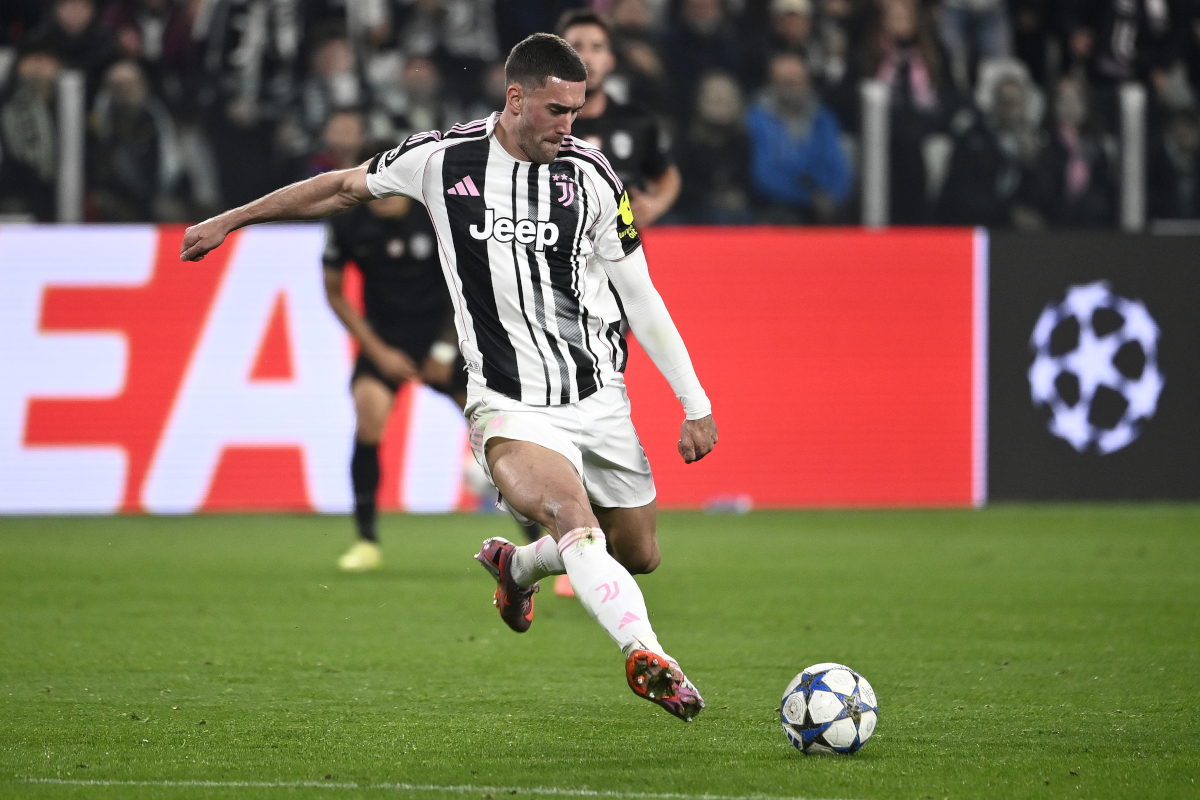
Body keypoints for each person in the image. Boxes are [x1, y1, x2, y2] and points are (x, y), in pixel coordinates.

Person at [179, 33, 717, 722]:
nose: (568, 126)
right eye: (556, 110)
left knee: (637, 553)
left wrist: (694, 401)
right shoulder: (441, 158)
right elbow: (343, 187)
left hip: (596, 397)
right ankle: (648, 655)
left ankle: (517, 567)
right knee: (568, 516)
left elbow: (639, 293)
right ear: (515, 97)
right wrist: (234, 218)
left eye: (576, 112)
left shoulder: (593, 176)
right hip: (506, 402)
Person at [320, 150, 467, 572]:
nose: (381, 193)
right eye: (374, 182)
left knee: (492, 432)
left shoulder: (438, 213)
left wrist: (443, 350)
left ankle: (541, 538)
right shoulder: (347, 221)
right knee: (368, 417)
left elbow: (471, 285)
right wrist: (376, 350)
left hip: (445, 334)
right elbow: (334, 292)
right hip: (385, 339)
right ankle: (366, 540)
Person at [558, 10, 680, 228]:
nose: (586, 57)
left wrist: (653, 205)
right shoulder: (539, 125)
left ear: (610, 60)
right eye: (576, 47)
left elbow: (666, 176)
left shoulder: (636, 121)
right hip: (556, 255)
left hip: (621, 255)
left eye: (597, 47)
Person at [746, 52, 852, 223]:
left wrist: (832, 195)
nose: (789, 89)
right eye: (783, 82)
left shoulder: (823, 118)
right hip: (777, 206)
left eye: (795, 82)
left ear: (807, 82)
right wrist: (807, 197)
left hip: (825, 203)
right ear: (771, 83)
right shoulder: (757, 119)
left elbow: (838, 166)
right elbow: (763, 175)